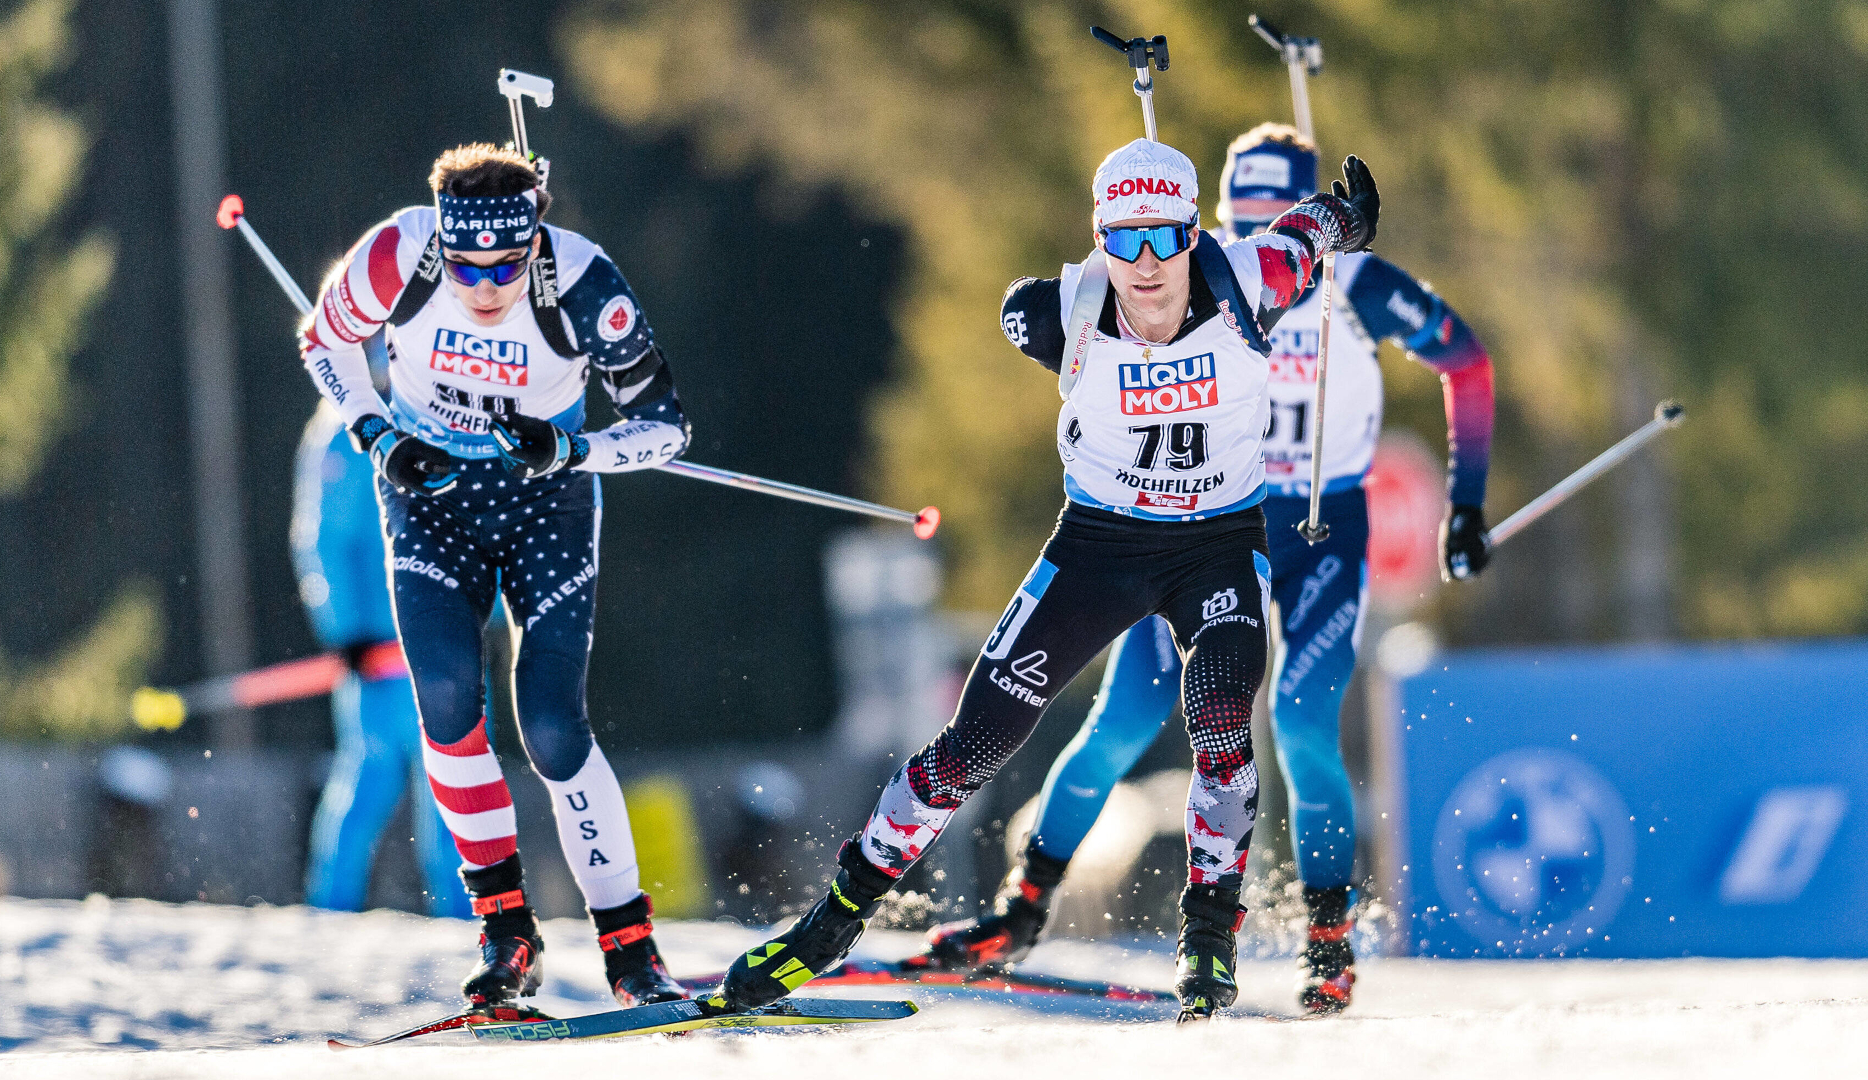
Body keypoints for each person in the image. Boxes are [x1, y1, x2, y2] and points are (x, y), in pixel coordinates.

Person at [713, 137, 1380, 1021]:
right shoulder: (1058, 312)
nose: (1144, 268)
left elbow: (1310, 232)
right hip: (1098, 545)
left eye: (1163, 241)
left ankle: (1209, 940)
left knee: (1220, 713)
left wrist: (1351, 218)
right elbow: (1015, 308)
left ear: (1194, 235)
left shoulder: (1252, 280)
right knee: (973, 746)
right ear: (1099, 239)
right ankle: (834, 923)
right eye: (1122, 241)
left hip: (1215, 543)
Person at [911, 123, 1498, 1015]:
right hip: (1209, 520)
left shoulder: (1356, 284)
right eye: (1239, 218)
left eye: (1275, 217)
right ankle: (1021, 912)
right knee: (1126, 717)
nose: (1255, 238)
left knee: (1301, 723)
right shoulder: (1205, 282)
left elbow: (1466, 359)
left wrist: (1467, 500)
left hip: (1323, 523)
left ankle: (1328, 934)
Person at [299, 142, 693, 1010]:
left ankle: (632, 951)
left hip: (542, 502)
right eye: (466, 264)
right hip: (431, 499)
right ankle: (506, 936)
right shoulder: (397, 254)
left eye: (506, 266)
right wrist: (378, 435)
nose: (483, 286)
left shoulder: (583, 281)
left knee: (551, 725)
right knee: (443, 696)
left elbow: (666, 427)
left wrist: (576, 448)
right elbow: (323, 343)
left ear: (534, 240)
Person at [292, 397, 467, 920]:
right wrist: (346, 630)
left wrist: (494, 608)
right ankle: (330, 911)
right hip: (380, 651)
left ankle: (471, 920)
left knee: (460, 784)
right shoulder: (342, 430)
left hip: (448, 638)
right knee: (373, 775)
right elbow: (325, 538)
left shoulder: (445, 403)